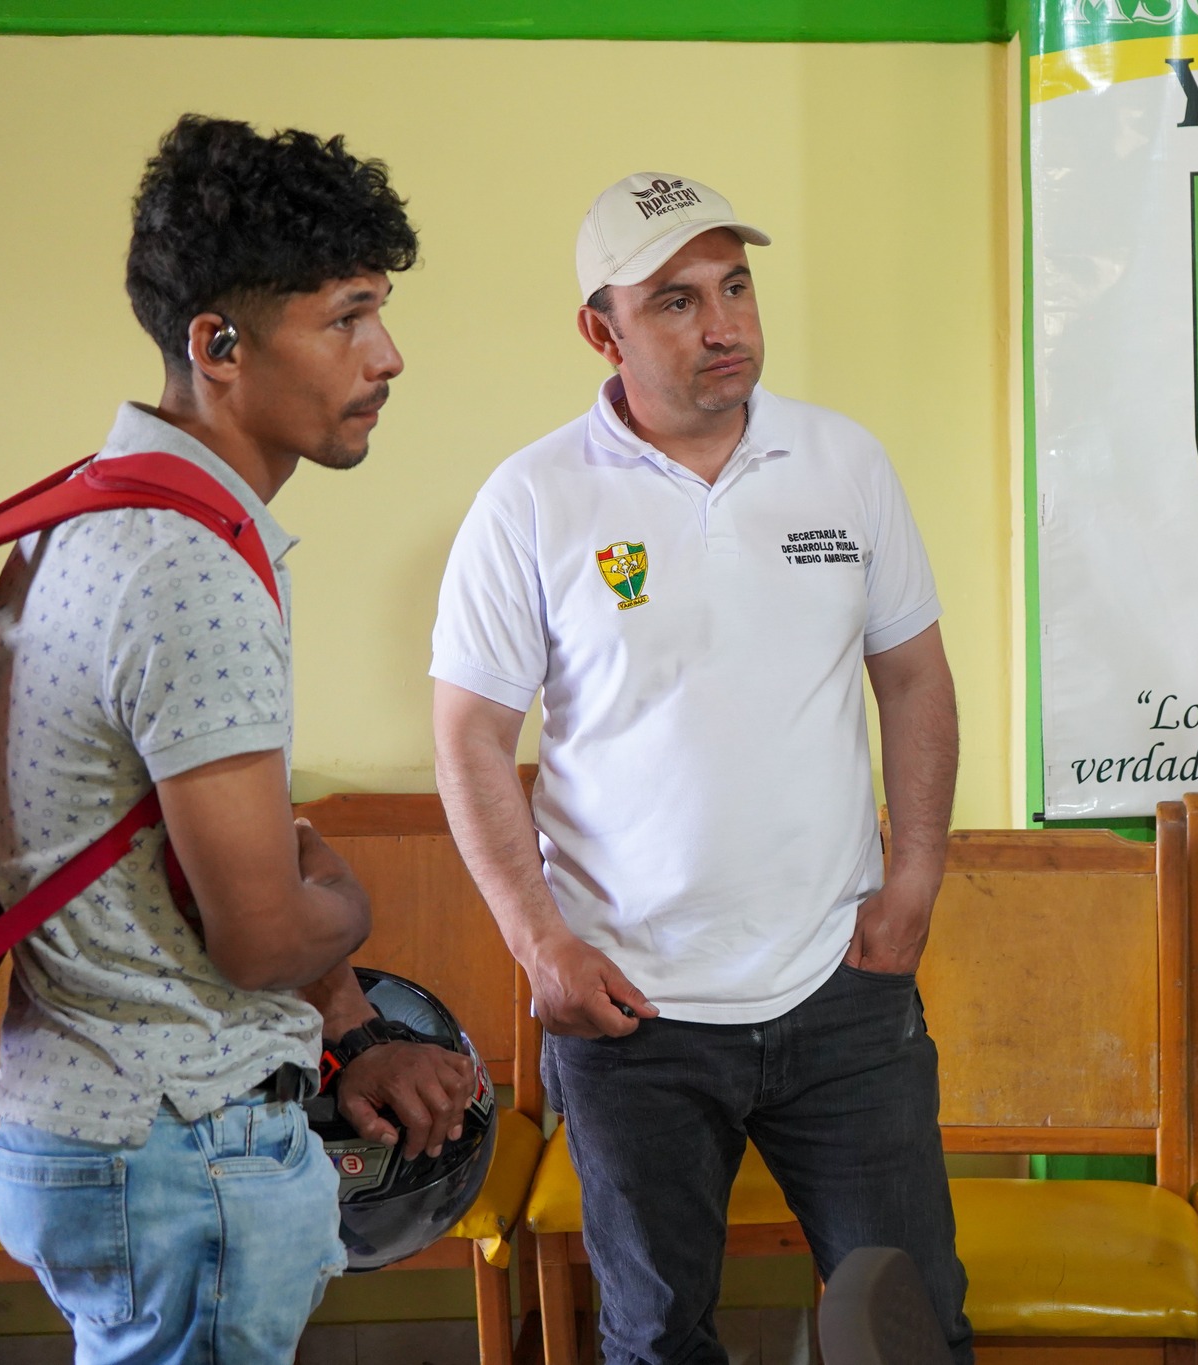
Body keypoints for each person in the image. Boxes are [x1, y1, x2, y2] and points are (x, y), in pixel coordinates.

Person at [431, 172, 968, 1365]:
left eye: (734, 288)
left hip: (842, 989)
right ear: (602, 331)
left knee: (911, 1326)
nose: (722, 325)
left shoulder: (842, 461)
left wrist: (917, 874)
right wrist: (540, 946)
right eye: (675, 301)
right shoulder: (532, 500)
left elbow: (913, 679)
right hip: (633, 1011)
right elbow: (468, 736)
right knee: (658, 1337)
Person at [0, 115, 477, 1362]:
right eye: (346, 319)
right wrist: (347, 901)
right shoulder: (188, 569)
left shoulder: (80, 511)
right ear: (219, 346)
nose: (388, 356)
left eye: (379, 312)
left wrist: (347, 1025)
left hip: (98, 1125)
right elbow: (258, 933)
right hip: (181, 1147)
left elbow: (164, 856)